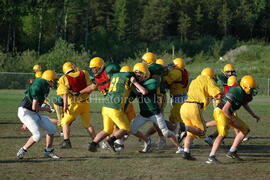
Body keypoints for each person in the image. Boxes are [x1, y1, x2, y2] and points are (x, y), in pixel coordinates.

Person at [206, 75, 260, 164]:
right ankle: (211, 156)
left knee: (245, 129)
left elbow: (244, 104)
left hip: (229, 113)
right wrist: (232, 120)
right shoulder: (237, 91)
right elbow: (225, 109)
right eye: (251, 89)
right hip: (221, 111)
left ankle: (232, 151)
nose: (252, 91)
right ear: (244, 87)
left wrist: (253, 115)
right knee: (222, 133)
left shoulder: (244, 92)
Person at [130, 63, 183, 153]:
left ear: (146, 73)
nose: (138, 76)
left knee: (165, 132)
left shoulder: (152, 82)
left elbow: (144, 91)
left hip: (154, 113)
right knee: (132, 129)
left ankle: (180, 147)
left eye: (140, 74)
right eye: (136, 74)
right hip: (143, 114)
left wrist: (134, 83)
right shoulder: (138, 84)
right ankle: (148, 141)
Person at [88, 64, 136, 152]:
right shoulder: (127, 79)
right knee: (125, 128)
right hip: (115, 108)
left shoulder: (114, 77)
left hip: (105, 107)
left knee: (107, 130)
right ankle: (111, 140)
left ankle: (93, 144)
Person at [16, 70, 60, 159]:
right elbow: (34, 107)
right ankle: (23, 150)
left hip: (33, 112)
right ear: (49, 80)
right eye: (53, 80)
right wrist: (47, 109)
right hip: (26, 112)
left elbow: (36, 105)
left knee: (51, 129)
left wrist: (43, 106)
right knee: (37, 136)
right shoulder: (38, 87)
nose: (55, 82)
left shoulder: (45, 86)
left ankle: (48, 151)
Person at [180, 67, 222, 160]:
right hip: (194, 107)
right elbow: (218, 95)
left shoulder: (195, 80)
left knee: (191, 133)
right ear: (211, 75)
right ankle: (183, 128)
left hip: (184, 106)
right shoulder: (208, 80)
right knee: (201, 132)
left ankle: (186, 152)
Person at [57, 62, 96, 148]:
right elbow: (91, 88)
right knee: (87, 124)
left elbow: (65, 94)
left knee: (64, 122)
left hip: (74, 104)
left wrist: (65, 105)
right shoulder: (84, 73)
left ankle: (66, 142)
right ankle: (95, 142)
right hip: (86, 103)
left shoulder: (64, 78)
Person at [204, 64, 237, 145]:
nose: (231, 74)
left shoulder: (229, 79)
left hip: (226, 101)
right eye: (229, 72)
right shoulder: (220, 78)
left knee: (226, 122)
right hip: (219, 101)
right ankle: (206, 126)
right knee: (227, 119)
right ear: (225, 72)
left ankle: (212, 136)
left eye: (232, 72)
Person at [164, 58, 189, 144]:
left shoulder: (176, 72)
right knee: (178, 119)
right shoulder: (184, 71)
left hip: (178, 98)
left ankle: (185, 139)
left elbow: (166, 81)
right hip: (182, 96)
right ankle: (184, 137)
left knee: (174, 119)